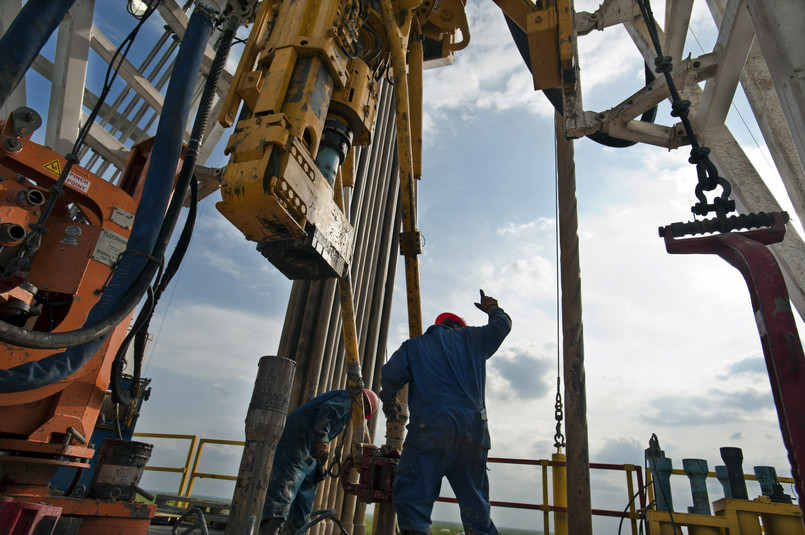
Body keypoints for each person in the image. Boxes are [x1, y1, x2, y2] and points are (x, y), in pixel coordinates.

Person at [380, 290, 512, 535]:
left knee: (413, 502)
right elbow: (502, 326)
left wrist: (389, 403)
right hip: (474, 432)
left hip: (430, 430)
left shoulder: (415, 346)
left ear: (437, 326)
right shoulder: (474, 338)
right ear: (459, 327)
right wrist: (492, 307)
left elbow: (389, 376)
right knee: (476, 508)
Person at [260, 388, 380, 535]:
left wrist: (319, 465)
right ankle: (269, 531)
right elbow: (327, 410)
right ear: (363, 404)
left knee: (304, 505)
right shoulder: (348, 398)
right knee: (284, 492)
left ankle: (295, 531)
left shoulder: (345, 415)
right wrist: (323, 441)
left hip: (308, 454)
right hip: (296, 442)